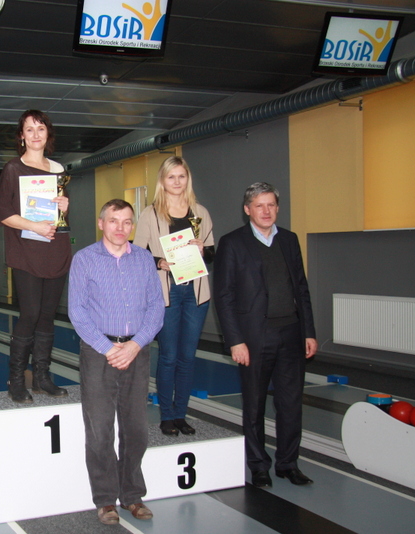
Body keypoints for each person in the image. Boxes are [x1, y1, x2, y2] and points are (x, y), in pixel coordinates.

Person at [214, 182, 318, 489]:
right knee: (254, 405)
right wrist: (235, 340)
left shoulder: (289, 239)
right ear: (248, 209)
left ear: (277, 208)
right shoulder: (232, 243)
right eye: (259, 205)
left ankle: (288, 463)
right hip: (254, 338)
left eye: (271, 205)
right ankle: (259, 465)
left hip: (291, 334)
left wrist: (309, 332)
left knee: (291, 404)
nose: (266, 211)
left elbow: (301, 288)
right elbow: (224, 297)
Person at [69, 199, 164, 525]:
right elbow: (77, 310)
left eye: (126, 222)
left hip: (137, 351)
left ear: (132, 226)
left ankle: (133, 495)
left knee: (136, 429)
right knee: (99, 431)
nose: (120, 228)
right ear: (101, 223)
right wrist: (108, 348)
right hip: (99, 352)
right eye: (113, 221)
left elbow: (156, 307)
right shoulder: (84, 259)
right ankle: (106, 499)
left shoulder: (144, 259)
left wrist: (136, 344)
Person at [0, 109, 71, 403]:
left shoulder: (58, 169)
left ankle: (41, 377)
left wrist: (64, 206)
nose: (36, 134)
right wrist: (33, 225)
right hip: (26, 251)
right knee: (30, 314)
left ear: (48, 134)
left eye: (41, 128)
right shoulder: (13, 168)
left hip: (54, 248)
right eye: (29, 129)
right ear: (21, 136)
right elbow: (2, 213)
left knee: (48, 316)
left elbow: (60, 217)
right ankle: (16, 380)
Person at [133, 156, 214, 436]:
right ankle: (167, 415)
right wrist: (159, 262)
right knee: (168, 356)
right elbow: (137, 253)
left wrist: (203, 249)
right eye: (171, 177)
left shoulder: (200, 211)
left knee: (187, 357)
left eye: (181, 176)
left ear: (187, 179)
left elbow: (212, 252)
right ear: (162, 181)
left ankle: (181, 414)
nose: (177, 181)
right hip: (166, 292)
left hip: (195, 292)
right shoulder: (150, 213)